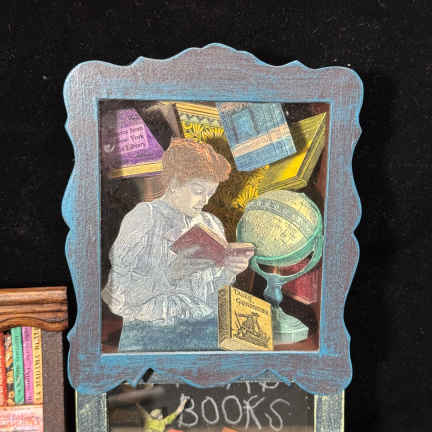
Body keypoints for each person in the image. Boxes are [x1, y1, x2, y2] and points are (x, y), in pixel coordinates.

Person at [102, 138, 254, 351]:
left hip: (203, 332)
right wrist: (170, 275)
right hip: (150, 336)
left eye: (210, 193)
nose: (205, 201)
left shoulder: (211, 224)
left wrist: (229, 272)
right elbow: (117, 296)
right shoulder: (144, 218)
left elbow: (211, 299)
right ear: (174, 183)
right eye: (198, 191)